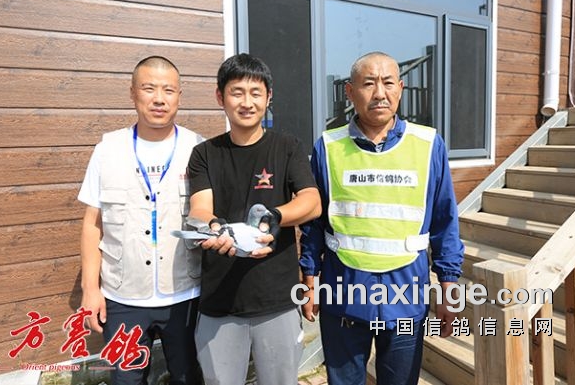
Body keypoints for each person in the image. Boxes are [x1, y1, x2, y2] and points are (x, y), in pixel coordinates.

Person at [299, 51, 465, 385]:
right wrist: (309, 278)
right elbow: (313, 223)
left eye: (388, 83)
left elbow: (444, 221)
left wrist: (448, 286)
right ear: (350, 92)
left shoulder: (428, 145)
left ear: (400, 89)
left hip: (406, 295)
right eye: (368, 84)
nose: (379, 93)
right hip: (343, 294)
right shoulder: (328, 147)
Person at [187, 53, 321, 385]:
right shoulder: (205, 154)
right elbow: (200, 209)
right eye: (237, 92)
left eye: (255, 93)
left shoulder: (288, 147)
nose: (247, 102)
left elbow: (312, 202)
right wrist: (214, 228)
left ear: (268, 97)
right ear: (220, 97)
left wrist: (277, 216)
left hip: (278, 300)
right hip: (219, 302)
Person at [78, 56, 203, 385]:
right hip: (123, 297)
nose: (159, 99)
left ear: (179, 96)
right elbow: (92, 224)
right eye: (149, 89)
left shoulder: (198, 149)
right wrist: (90, 290)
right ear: (133, 93)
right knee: (126, 380)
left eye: (168, 90)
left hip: (185, 294)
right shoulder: (108, 150)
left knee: (189, 377)